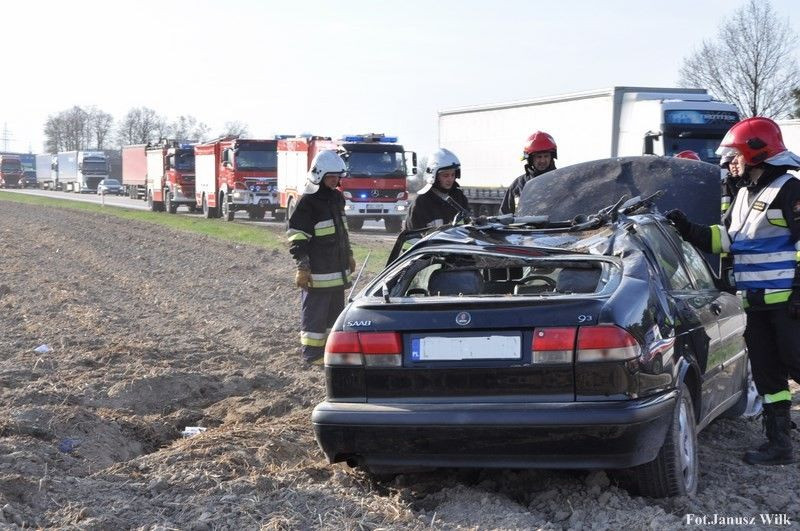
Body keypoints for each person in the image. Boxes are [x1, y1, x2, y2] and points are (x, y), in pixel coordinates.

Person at [665, 117, 800, 465]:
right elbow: (726, 241)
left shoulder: (790, 189)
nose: (730, 163)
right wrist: (687, 229)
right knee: (768, 375)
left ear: (757, 153)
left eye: (736, 155)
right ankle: (779, 445)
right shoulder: (742, 194)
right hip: (755, 305)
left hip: (789, 304)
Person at [287, 150, 355, 366]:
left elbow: (342, 232)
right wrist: (302, 266)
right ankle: (312, 354)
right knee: (315, 314)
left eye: (337, 177)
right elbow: (297, 236)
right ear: (319, 175)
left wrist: (349, 255)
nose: (335, 181)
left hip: (337, 270)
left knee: (334, 316)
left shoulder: (336, 198)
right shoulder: (308, 202)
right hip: (317, 271)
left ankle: (329, 351)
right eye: (330, 177)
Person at [405, 148, 470, 230]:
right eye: (445, 175)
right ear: (434, 176)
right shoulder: (421, 202)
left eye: (453, 175)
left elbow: (467, 227)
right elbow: (412, 235)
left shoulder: (459, 197)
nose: (450, 179)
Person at [500, 131, 557, 214]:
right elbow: (504, 214)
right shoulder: (518, 185)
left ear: (551, 157)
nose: (542, 160)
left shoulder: (561, 181)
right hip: (525, 223)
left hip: (557, 223)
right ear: (530, 159)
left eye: (546, 156)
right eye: (539, 157)